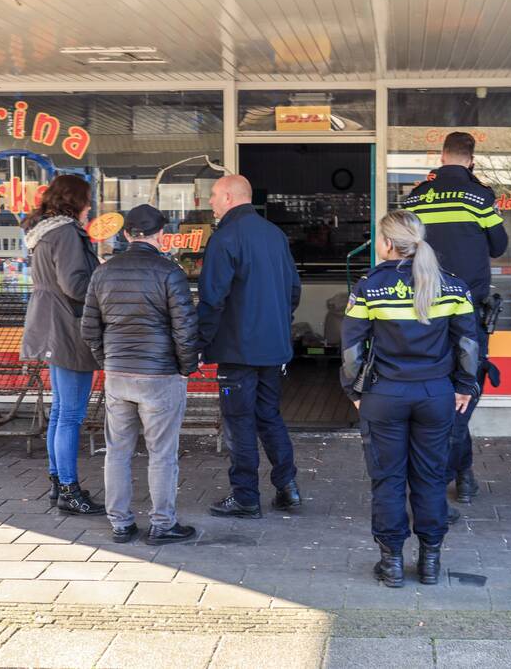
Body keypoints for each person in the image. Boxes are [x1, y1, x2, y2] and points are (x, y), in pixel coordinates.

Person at [340, 210, 479, 587]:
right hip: (435, 394)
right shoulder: (452, 285)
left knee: (387, 480)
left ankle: (392, 564)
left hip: (385, 395)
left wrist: (353, 390)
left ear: (386, 243)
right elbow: (467, 343)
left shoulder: (369, 286)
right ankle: (430, 562)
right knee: (431, 478)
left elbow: (352, 347)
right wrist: (465, 386)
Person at [81, 204, 199, 545]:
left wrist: (108, 361)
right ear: (160, 235)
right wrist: (185, 367)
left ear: (126, 234)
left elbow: (89, 328)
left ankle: (120, 524)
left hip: (118, 374)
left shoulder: (103, 272)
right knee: (162, 452)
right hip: (160, 375)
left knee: (117, 450)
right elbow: (185, 328)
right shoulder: (169, 272)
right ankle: (162, 524)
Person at [402, 131, 508, 509]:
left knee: (434, 392)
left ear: (441, 155)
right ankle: (455, 475)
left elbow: (404, 247)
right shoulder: (480, 197)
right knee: (464, 392)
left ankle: (457, 473)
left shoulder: (416, 197)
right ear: (471, 159)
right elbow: (499, 246)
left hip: (424, 313)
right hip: (467, 314)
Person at [197, 174, 302, 519]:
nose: (210, 201)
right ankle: (287, 488)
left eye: (213, 195)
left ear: (228, 196)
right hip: (273, 348)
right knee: (269, 416)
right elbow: (294, 292)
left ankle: (245, 496)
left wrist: (199, 342)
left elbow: (212, 299)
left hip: (236, 349)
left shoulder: (225, 238)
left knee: (239, 422)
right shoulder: (275, 235)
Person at [20, 174, 104, 516]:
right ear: (77, 201)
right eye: (88, 199)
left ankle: (58, 482)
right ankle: (69, 489)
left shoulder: (45, 232)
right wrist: (104, 281)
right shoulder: (67, 233)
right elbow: (75, 285)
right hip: (68, 326)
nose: (91, 205)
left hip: (49, 323)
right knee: (70, 414)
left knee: (60, 412)